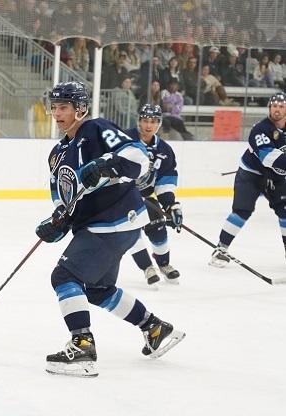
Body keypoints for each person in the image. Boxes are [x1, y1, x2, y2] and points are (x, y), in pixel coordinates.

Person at [35, 81, 184, 377]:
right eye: (53, 107)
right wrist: (58, 221)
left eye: (63, 107)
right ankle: (155, 328)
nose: (56, 113)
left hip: (115, 218)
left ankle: (82, 346)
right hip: (100, 224)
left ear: (80, 109)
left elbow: (139, 158)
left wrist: (108, 166)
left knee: (65, 276)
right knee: (97, 289)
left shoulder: (96, 129)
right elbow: (64, 198)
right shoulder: (57, 153)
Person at [211, 92, 286, 267]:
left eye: (281, 106)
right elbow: (269, 159)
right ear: (269, 108)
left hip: (277, 177)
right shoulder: (260, 129)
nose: (277, 109)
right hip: (251, 174)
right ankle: (220, 249)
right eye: (274, 106)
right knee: (242, 211)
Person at [123, 104, 183, 285]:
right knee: (131, 231)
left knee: (158, 227)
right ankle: (147, 267)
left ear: (159, 123)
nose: (149, 126)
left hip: (146, 198)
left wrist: (170, 205)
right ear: (138, 121)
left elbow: (165, 180)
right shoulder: (124, 140)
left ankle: (164, 264)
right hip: (121, 197)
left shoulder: (164, 150)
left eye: (154, 122)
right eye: (145, 121)